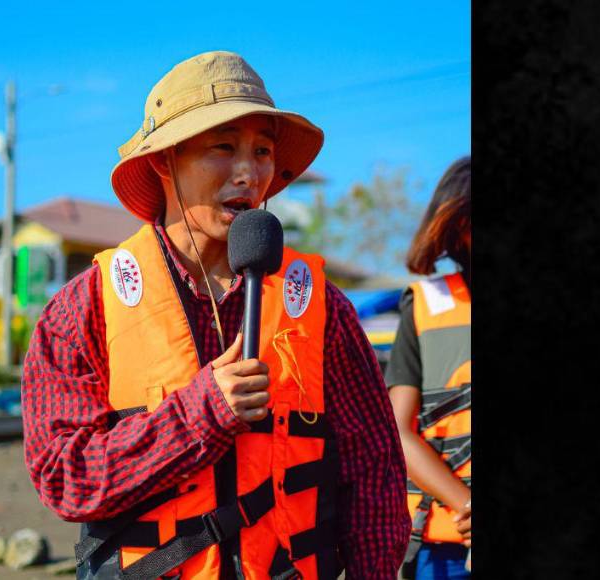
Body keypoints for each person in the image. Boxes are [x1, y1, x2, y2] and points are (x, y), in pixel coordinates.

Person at [21, 51, 410, 579]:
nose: (249, 173)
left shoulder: (320, 306)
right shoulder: (84, 307)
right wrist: (202, 414)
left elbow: (374, 474)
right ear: (164, 161)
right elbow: (67, 479)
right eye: (223, 148)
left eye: (263, 151)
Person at [384, 157, 471, 580]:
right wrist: (466, 504)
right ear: (458, 227)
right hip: (446, 545)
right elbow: (397, 432)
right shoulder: (425, 305)